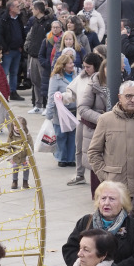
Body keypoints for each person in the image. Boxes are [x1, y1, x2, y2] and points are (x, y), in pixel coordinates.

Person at [61, 181, 134, 266]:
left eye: (112, 199)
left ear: (122, 203)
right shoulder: (86, 221)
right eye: (103, 198)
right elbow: (69, 249)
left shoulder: (132, 225)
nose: (106, 203)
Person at [88, 80, 134, 197]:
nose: (133, 100)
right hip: (114, 187)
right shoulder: (105, 120)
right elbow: (94, 152)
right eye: (128, 96)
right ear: (120, 97)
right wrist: (105, 176)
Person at [64, 53, 103, 187]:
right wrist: (63, 97)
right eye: (84, 67)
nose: (85, 69)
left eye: (88, 67)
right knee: (79, 147)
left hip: (98, 121)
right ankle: (80, 174)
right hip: (82, 119)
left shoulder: (100, 79)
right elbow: (71, 92)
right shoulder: (80, 78)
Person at [77, 60, 111, 197]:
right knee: (97, 164)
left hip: (116, 133)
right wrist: (102, 119)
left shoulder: (124, 82)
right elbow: (83, 108)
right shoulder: (94, 84)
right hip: (96, 131)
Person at [46, 53, 79, 168]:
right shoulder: (55, 78)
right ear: (63, 65)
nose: (72, 65)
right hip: (60, 112)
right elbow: (51, 96)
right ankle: (61, 158)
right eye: (70, 63)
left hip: (74, 111)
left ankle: (70, 158)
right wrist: (48, 114)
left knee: (72, 136)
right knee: (60, 135)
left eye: (72, 62)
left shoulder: (77, 75)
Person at [25, 0, 53, 114]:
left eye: (33, 9)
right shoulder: (35, 21)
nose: (32, 11)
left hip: (43, 57)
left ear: (38, 10)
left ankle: (47, 105)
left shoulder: (49, 23)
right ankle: (38, 104)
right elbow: (31, 36)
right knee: (35, 80)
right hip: (33, 55)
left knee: (44, 81)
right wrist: (28, 47)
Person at [0, 0, 25, 102]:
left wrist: (21, 45)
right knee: (5, 72)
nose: (19, 8)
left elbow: (21, 32)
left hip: (17, 50)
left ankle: (13, 92)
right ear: (11, 8)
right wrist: (5, 49)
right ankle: (3, 92)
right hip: (8, 51)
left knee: (14, 72)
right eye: (17, 6)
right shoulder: (3, 20)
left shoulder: (18, 18)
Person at [38, 19, 63, 113]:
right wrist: (46, 64)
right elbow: (40, 55)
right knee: (47, 88)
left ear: (61, 28)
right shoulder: (47, 40)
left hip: (59, 69)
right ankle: (46, 107)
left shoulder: (63, 39)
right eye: (53, 27)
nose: (55, 29)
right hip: (48, 68)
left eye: (57, 27)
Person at [7, 116, 33, 190]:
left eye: (20, 126)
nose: (17, 128)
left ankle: (25, 181)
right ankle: (14, 181)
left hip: (25, 156)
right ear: (13, 126)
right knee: (15, 168)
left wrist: (29, 157)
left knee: (26, 168)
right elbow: (8, 147)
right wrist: (10, 157)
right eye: (15, 126)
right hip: (15, 156)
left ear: (24, 126)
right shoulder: (11, 135)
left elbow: (31, 147)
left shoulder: (27, 136)